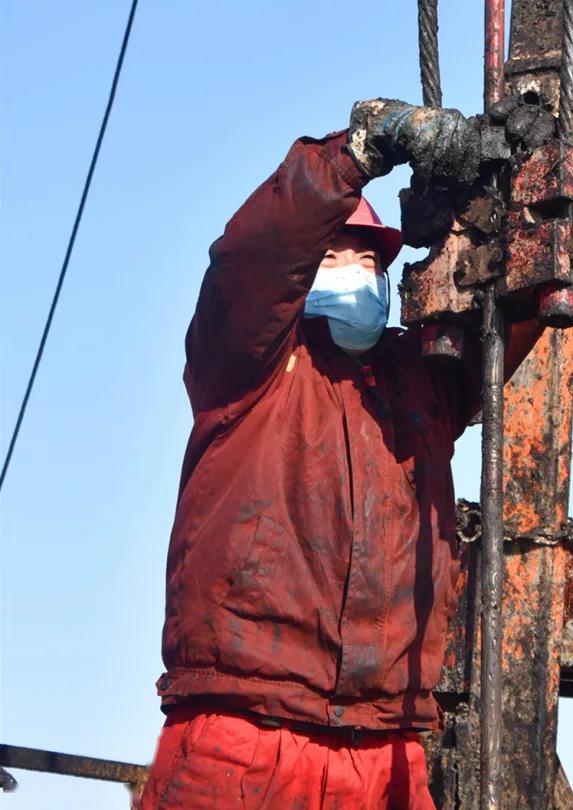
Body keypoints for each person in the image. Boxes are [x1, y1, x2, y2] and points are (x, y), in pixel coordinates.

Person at [138, 100, 537, 809]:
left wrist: (517, 202)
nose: (356, 269)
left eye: (368, 258)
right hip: (244, 729)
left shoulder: (418, 387)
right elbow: (252, 258)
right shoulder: (247, 366)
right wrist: (360, 152)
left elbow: (518, 309)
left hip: (386, 748)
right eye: (335, 254)